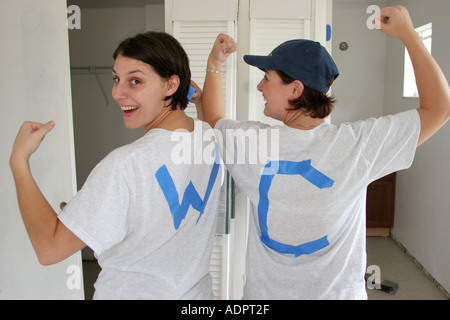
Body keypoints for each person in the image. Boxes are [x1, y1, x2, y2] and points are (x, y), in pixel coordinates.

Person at [200, 6, 450, 299]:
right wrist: (408, 34)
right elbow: (439, 108)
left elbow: (213, 120)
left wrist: (214, 63)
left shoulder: (253, 142)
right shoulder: (358, 145)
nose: (259, 86)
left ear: (295, 89)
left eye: (267, 78)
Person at [9, 31, 223, 299]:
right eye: (116, 79)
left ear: (170, 85)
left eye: (135, 81)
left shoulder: (125, 166)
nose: (117, 93)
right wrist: (202, 94)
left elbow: (49, 249)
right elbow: (212, 121)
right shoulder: (211, 140)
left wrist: (19, 160)